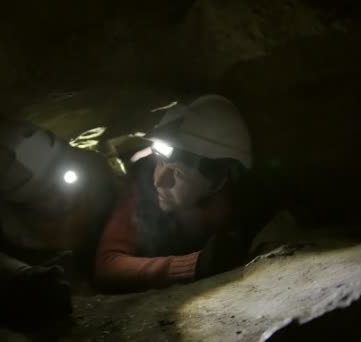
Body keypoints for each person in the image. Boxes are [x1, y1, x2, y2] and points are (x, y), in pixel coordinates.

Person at [0, 120, 117, 327]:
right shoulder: (0, 224)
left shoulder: (96, 177)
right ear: (19, 202)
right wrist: (24, 275)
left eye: (64, 179)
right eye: (48, 193)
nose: (63, 194)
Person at [94, 94, 257, 293]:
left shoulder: (238, 201)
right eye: (160, 162)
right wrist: (192, 265)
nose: (159, 180)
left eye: (178, 173)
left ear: (217, 182)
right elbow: (107, 266)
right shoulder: (142, 183)